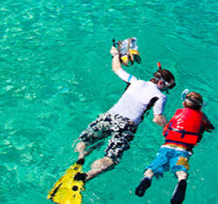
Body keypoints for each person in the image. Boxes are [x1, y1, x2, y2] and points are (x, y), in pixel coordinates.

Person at [71, 44, 176, 183]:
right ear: (162, 84)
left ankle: (80, 156)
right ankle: (86, 176)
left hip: (108, 116)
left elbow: (116, 68)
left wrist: (115, 54)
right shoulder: (160, 96)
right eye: (168, 88)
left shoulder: (135, 81)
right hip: (126, 124)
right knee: (111, 159)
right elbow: (157, 119)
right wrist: (170, 127)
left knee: (85, 141)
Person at [134, 89, 215, 204]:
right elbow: (210, 128)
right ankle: (181, 180)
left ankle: (147, 178)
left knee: (153, 168)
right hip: (184, 150)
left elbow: (166, 131)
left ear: (183, 104)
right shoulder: (201, 119)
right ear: (200, 107)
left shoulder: (178, 113)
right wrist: (203, 115)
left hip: (167, 146)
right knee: (181, 171)